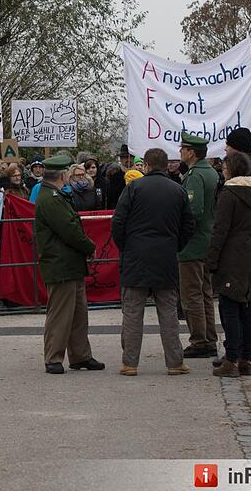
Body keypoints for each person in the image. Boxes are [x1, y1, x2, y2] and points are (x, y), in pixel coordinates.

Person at [112, 148, 195, 376]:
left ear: (146, 165)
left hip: (135, 257)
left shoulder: (133, 189)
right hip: (166, 256)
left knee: (132, 312)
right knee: (168, 312)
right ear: (166, 164)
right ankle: (175, 362)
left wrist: (126, 248)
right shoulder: (178, 190)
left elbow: (118, 223)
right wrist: (175, 246)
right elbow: (188, 225)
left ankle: (130, 363)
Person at [33, 154, 104, 374]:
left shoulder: (54, 195)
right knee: (61, 314)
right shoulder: (51, 198)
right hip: (60, 264)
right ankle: (53, 357)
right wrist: (89, 247)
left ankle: (80, 355)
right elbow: (69, 230)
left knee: (78, 314)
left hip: (69, 264)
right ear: (63, 174)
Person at [207, 152, 251, 377]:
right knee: (248, 308)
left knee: (230, 307)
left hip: (232, 256)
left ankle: (231, 359)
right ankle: (247, 359)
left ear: (229, 169)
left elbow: (220, 229)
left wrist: (212, 259)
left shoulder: (229, 193)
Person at [178, 133, 220, 359]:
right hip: (206, 239)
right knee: (204, 293)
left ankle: (200, 340)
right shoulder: (210, 171)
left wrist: (180, 236)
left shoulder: (195, 175)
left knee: (191, 294)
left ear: (191, 152)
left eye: (183, 148)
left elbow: (193, 211)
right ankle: (208, 337)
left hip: (193, 244)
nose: (180, 152)